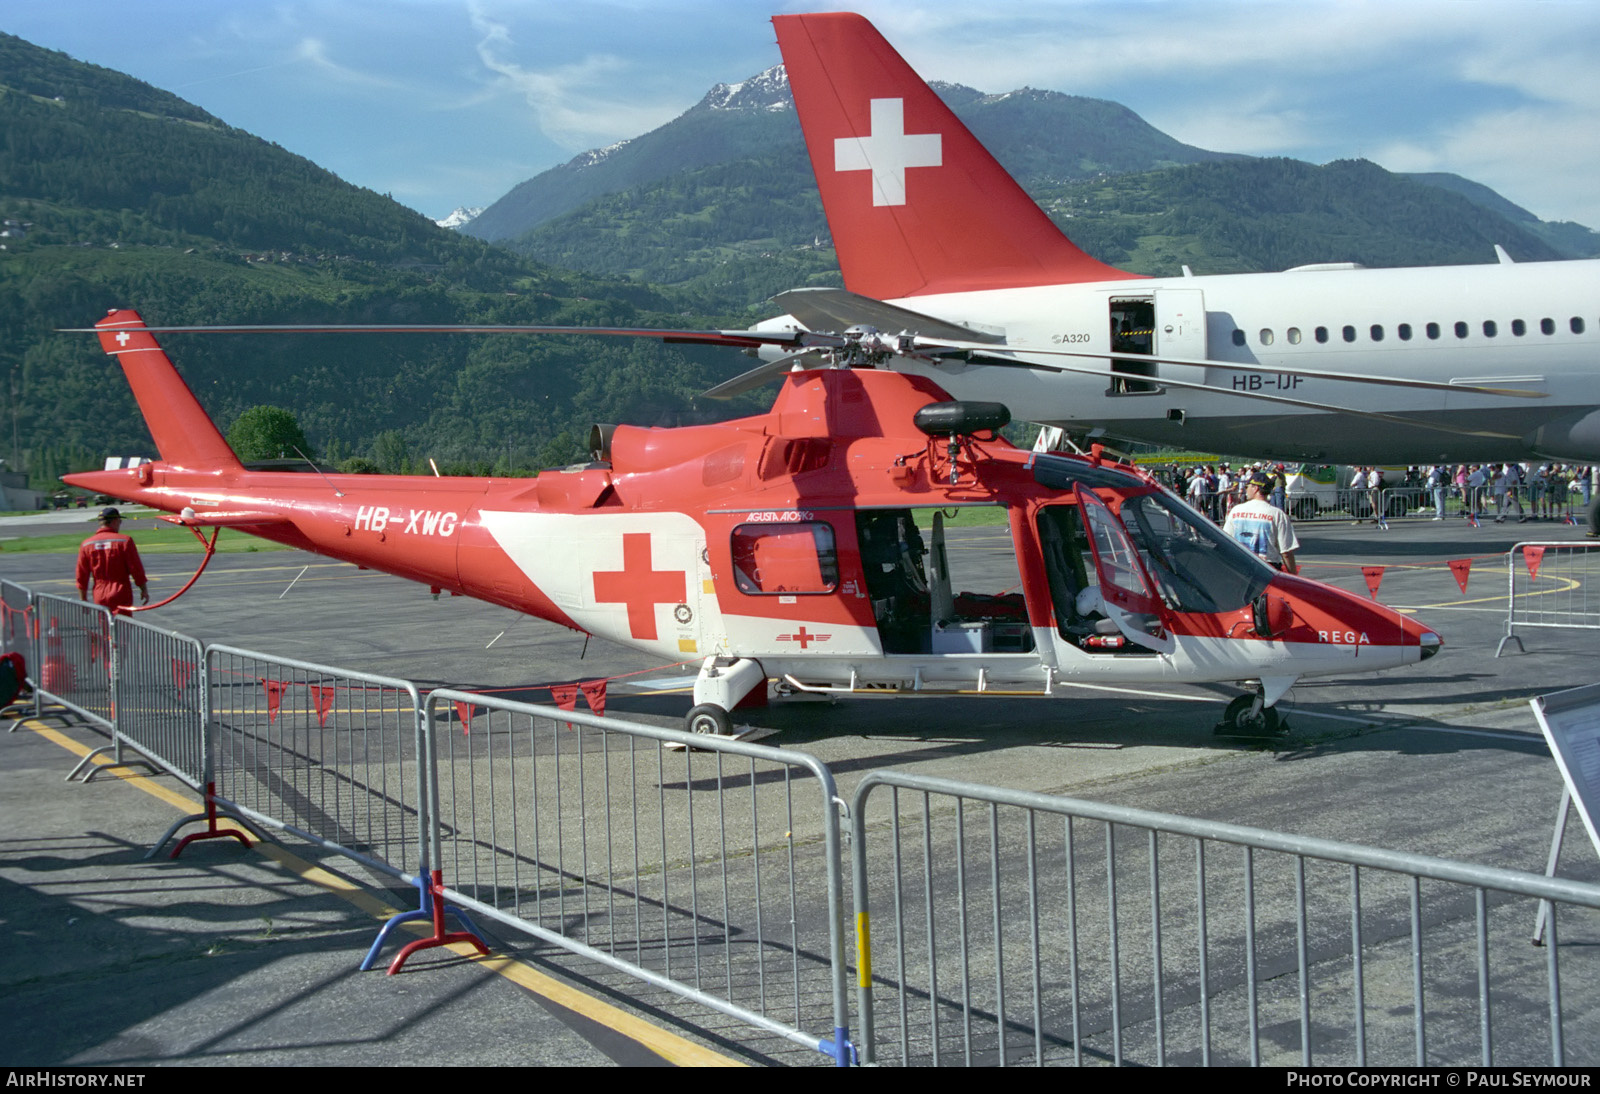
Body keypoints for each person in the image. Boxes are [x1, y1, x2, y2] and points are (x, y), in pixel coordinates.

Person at [1224, 473, 1300, 574]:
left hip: (1240, 565)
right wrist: (1293, 576)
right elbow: (1286, 552)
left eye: (1248, 486)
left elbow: (1226, 540)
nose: (1246, 489)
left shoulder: (1236, 511)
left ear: (1255, 488)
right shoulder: (1277, 514)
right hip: (1267, 568)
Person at [76, 507, 148, 612]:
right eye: (120, 521)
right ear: (114, 521)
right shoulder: (124, 541)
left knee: (105, 626)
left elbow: (81, 574)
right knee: (123, 626)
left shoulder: (86, 544)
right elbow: (136, 568)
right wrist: (143, 589)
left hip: (99, 593)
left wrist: (83, 598)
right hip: (121, 591)